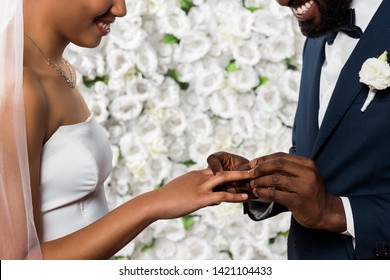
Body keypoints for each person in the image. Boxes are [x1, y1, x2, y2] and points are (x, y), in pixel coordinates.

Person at [0, 0, 251, 260]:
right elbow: (15, 266)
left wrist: (202, 182)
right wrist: (153, 204)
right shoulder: (18, 85)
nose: (121, 9)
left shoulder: (54, 65)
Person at [207, 0, 390, 259]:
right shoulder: (316, 37)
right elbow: (317, 157)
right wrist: (258, 181)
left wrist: (336, 212)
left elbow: (328, 203)